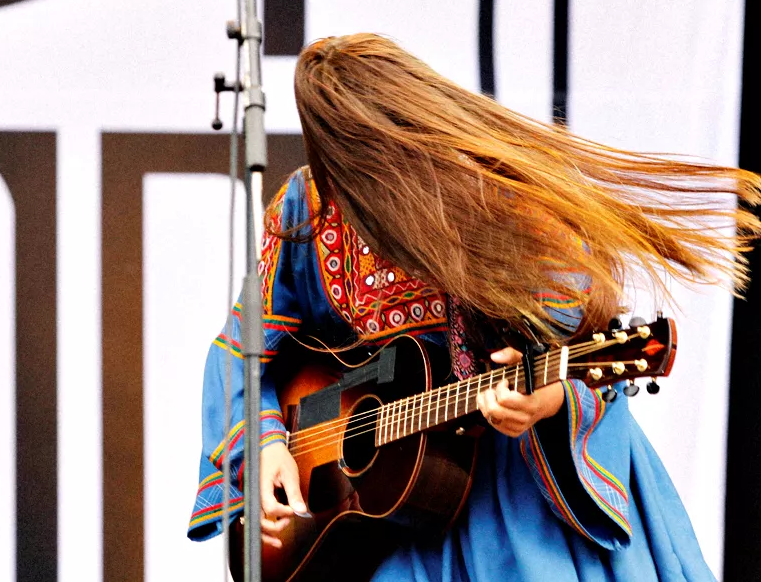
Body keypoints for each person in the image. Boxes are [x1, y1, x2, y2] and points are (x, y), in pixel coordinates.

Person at [187, 33, 761, 581]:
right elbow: (241, 347)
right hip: (384, 517)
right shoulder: (307, 208)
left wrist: (549, 398)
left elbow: (582, 351)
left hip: (510, 489)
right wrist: (266, 444)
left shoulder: (507, 206)